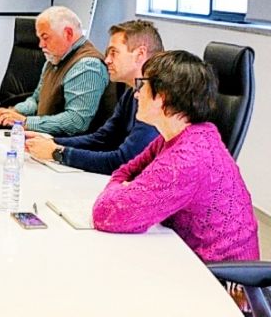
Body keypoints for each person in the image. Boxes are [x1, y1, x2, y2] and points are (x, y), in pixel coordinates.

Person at [92, 50, 259, 262]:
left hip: (220, 277)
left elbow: (105, 214)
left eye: (142, 85)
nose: (136, 93)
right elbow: (126, 171)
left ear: (163, 96)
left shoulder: (186, 159)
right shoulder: (179, 137)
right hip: (190, 256)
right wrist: (123, 186)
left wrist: (120, 189)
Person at [26, 20, 163, 174]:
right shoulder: (132, 92)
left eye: (114, 52)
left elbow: (124, 161)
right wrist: (50, 141)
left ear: (140, 54)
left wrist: (58, 152)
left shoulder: (157, 99)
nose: (107, 60)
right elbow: (103, 138)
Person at [0, 6, 111, 136]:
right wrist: (14, 112)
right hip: (47, 139)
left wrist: (25, 122)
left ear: (68, 33)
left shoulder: (87, 65)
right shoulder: (54, 60)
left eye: (45, 38)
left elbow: (76, 121)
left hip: (72, 145)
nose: (41, 45)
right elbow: (36, 100)